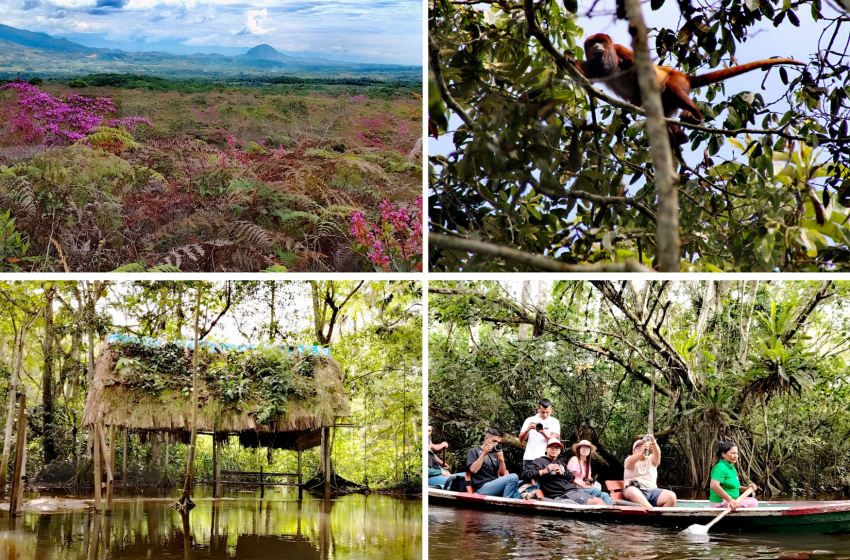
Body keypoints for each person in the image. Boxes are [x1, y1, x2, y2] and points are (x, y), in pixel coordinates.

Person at [521, 438, 606, 505]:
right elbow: (524, 474)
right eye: (552, 447)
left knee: (600, 500)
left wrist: (562, 473)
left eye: (557, 447)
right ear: (546, 449)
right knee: (598, 503)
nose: (555, 449)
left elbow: (571, 477)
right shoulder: (540, 461)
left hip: (572, 490)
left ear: (560, 451)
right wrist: (545, 471)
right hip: (561, 494)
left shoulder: (561, 462)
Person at [622, 434, 677, 508]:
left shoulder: (651, 459)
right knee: (630, 491)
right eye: (638, 447)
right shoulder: (629, 459)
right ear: (633, 451)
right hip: (637, 492)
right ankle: (651, 511)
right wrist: (641, 452)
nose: (642, 447)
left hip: (652, 491)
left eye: (644, 445)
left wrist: (653, 442)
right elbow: (630, 463)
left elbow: (658, 455)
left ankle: (663, 518)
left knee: (671, 496)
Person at [467, 428, 520, 498]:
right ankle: (506, 503)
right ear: (486, 438)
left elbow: (501, 473)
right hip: (482, 487)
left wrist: (501, 460)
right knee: (513, 477)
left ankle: (517, 505)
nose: (495, 444)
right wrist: (484, 453)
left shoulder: (494, 454)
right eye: (494, 441)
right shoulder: (474, 451)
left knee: (518, 483)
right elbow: (473, 470)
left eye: (498, 442)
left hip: (494, 485)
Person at [709, 442, 758, 510]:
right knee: (753, 503)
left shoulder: (732, 468)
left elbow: (734, 487)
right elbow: (714, 485)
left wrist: (747, 488)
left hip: (729, 501)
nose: (735, 456)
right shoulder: (720, 468)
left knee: (752, 500)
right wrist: (730, 500)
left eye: (737, 453)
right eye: (732, 453)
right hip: (720, 503)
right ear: (723, 454)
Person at [567, 439, 613, 505]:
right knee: (595, 491)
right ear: (578, 449)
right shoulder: (574, 459)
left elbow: (588, 478)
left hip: (584, 488)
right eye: (583, 447)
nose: (585, 449)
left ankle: (611, 513)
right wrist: (582, 485)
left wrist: (591, 482)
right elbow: (568, 477)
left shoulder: (587, 463)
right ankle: (591, 510)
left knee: (605, 495)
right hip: (574, 488)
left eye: (587, 447)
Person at [519, 399, 561, 470]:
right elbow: (521, 439)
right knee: (528, 479)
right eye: (542, 412)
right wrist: (528, 429)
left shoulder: (554, 422)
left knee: (545, 480)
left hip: (547, 457)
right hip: (530, 456)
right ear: (538, 409)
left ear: (551, 410)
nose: (545, 415)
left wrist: (542, 432)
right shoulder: (529, 420)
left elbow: (553, 440)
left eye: (547, 412)